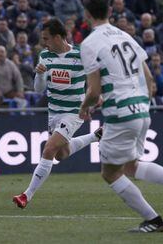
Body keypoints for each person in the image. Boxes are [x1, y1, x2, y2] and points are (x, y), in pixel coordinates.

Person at [78, 0, 163, 233]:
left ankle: (154, 219)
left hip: (121, 114)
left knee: (110, 172)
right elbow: (148, 77)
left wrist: (85, 108)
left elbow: (94, 91)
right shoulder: (126, 35)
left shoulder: (90, 43)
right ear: (110, 12)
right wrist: (142, 107)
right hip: (141, 111)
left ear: (86, 14)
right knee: (131, 165)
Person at [12, 18, 102, 209]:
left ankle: (26, 195)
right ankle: (95, 136)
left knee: (48, 149)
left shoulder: (80, 55)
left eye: (46, 38)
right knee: (61, 154)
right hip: (54, 113)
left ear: (59, 37)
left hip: (74, 112)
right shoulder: (45, 55)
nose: (44, 43)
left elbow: (95, 81)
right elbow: (38, 89)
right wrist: (40, 74)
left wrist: (91, 101)